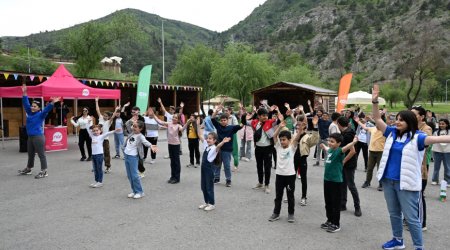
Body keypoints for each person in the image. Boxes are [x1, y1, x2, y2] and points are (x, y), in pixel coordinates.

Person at [371, 84, 450, 250]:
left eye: (402, 120)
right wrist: (375, 101)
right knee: (394, 214)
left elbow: (439, 140)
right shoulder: (391, 132)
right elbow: (378, 119)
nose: (397, 122)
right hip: (388, 181)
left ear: (410, 122)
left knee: (412, 218)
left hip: (406, 184)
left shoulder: (419, 137)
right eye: (397, 119)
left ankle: (418, 246)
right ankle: (398, 240)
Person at [18, 84, 60, 179]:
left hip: (38, 137)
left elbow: (46, 110)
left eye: (35, 106)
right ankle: (29, 168)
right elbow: (26, 104)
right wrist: (24, 93)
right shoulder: (29, 112)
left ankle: (44, 171)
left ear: (39, 108)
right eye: (32, 106)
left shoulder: (41, 114)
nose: (32, 107)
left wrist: (52, 103)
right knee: (30, 154)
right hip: (30, 137)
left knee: (41, 155)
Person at [320, 133, 358, 233]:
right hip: (327, 180)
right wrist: (324, 146)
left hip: (336, 182)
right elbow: (328, 149)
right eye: (329, 140)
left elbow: (348, 148)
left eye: (332, 142)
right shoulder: (331, 150)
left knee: (335, 204)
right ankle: (329, 220)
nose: (330, 143)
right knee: (328, 202)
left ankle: (336, 224)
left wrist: (354, 142)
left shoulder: (339, 151)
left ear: (339, 143)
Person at [267, 121, 302, 223]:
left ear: (289, 140)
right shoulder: (278, 147)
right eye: (281, 140)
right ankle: (276, 213)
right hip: (279, 175)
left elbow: (296, 139)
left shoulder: (292, 148)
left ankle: (291, 214)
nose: (282, 142)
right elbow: (274, 136)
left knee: (290, 196)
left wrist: (300, 131)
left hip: (290, 176)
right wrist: (280, 127)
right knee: (278, 196)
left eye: (284, 140)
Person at [247, 107, 279, 193]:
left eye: (266, 115)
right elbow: (245, 121)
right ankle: (260, 182)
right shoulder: (255, 123)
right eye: (263, 115)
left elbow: (279, 120)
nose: (265, 117)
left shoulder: (270, 122)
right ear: (259, 116)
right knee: (259, 166)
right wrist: (251, 114)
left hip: (268, 148)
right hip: (258, 148)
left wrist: (277, 110)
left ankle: (267, 185)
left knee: (267, 167)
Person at [411, 105, 433, 232]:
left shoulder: (426, 129)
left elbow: (426, 145)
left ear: (422, 117)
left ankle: (422, 222)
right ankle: (410, 219)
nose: (412, 116)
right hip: (410, 166)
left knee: (419, 196)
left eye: (414, 114)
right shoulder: (412, 127)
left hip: (421, 167)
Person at [122, 120, 157, 199]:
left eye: (135, 127)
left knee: (134, 175)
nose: (133, 128)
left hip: (133, 157)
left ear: (140, 129)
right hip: (126, 155)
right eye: (133, 126)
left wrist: (151, 146)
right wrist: (132, 120)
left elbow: (145, 142)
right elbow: (127, 124)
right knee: (129, 176)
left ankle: (140, 192)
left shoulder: (140, 136)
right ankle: (134, 191)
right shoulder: (132, 133)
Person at [211, 104, 244, 187]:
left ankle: (228, 180)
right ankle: (216, 177)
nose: (223, 121)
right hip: (219, 148)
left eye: (224, 120)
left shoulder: (232, 128)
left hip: (227, 150)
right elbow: (212, 118)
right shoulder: (218, 126)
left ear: (228, 120)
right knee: (217, 164)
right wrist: (217, 110)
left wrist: (242, 112)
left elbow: (241, 125)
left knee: (226, 166)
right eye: (221, 120)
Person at [198, 133, 230, 212]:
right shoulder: (206, 146)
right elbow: (200, 135)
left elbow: (218, 146)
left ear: (214, 140)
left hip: (209, 170)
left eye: (210, 138)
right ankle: (206, 202)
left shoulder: (214, 148)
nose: (208, 140)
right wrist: (198, 124)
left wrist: (223, 142)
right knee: (203, 187)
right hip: (203, 170)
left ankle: (212, 204)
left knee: (209, 187)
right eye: (207, 138)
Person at [153, 113, 190, 184]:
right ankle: (172, 177)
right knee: (172, 162)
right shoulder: (169, 123)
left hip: (176, 145)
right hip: (170, 144)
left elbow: (182, 129)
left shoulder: (178, 125)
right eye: (173, 117)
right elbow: (160, 122)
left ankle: (177, 178)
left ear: (178, 119)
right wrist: (154, 115)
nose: (174, 119)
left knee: (176, 162)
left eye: (176, 118)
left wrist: (187, 122)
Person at [337, 116, 361, 217]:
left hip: (349, 163)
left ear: (339, 124)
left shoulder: (348, 134)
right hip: (344, 162)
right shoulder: (345, 132)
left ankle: (357, 207)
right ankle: (342, 204)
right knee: (342, 184)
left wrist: (343, 161)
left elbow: (352, 151)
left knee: (351, 185)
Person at [293, 114, 319, 206]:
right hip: (294, 159)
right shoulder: (295, 136)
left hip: (303, 159)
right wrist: (298, 132)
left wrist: (315, 126)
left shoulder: (308, 137)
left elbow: (315, 140)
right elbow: (293, 143)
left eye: (300, 126)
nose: (298, 128)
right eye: (297, 127)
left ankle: (304, 197)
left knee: (303, 179)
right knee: (291, 178)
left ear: (304, 128)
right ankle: (290, 194)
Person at [356, 114, 386, 191]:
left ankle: (381, 183)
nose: (377, 125)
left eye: (378, 124)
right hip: (372, 151)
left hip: (381, 152)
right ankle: (367, 182)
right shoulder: (372, 129)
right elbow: (364, 127)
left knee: (380, 169)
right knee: (369, 168)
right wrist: (358, 121)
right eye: (376, 124)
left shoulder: (385, 131)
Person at [95, 97, 116, 173]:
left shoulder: (109, 122)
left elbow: (113, 116)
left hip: (105, 140)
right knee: (97, 153)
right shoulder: (100, 118)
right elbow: (97, 110)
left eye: (106, 116)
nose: (104, 117)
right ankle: (97, 166)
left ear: (108, 117)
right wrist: (96, 101)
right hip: (97, 139)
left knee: (106, 153)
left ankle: (108, 167)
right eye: (104, 115)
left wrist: (116, 110)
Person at [124, 105, 146, 178]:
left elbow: (142, 129)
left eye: (136, 113)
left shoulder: (142, 119)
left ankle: (142, 171)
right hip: (131, 140)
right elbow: (127, 126)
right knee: (131, 157)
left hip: (139, 140)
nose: (134, 114)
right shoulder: (130, 119)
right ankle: (132, 172)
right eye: (133, 112)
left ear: (139, 112)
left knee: (139, 157)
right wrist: (131, 121)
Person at [431, 118, 450, 185]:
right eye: (440, 124)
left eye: (443, 124)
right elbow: (433, 140)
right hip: (437, 151)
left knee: (447, 167)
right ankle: (435, 179)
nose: (441, 125)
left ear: (447, 124)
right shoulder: (436, 132)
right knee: (436, 167)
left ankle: (447, 181)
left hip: (447, 151)